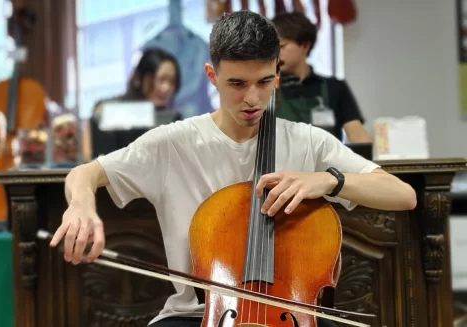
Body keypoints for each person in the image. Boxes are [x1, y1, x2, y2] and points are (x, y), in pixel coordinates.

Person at [50, 10, 416, 327]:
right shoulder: (173, 142)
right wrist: (81, 205)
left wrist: (327, 180)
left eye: (264, 82)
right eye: (237, 84)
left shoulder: (309, 141)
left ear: (276, 72)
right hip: (197, 316)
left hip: (291, 313)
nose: (253, 99)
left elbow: (404, 195)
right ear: (212, 75)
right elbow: (84, 173)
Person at [272, 12, 372, 143]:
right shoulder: (266, 89)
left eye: (281, 46)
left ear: (304, 45)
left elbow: (357, 135)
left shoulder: (335, 87)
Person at [82, 47, 183, 161]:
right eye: (161, 79)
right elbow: (88, 158)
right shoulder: (106, 109)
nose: (166, 88)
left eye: (172, 81)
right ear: (140, 78)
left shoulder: (171, 119)